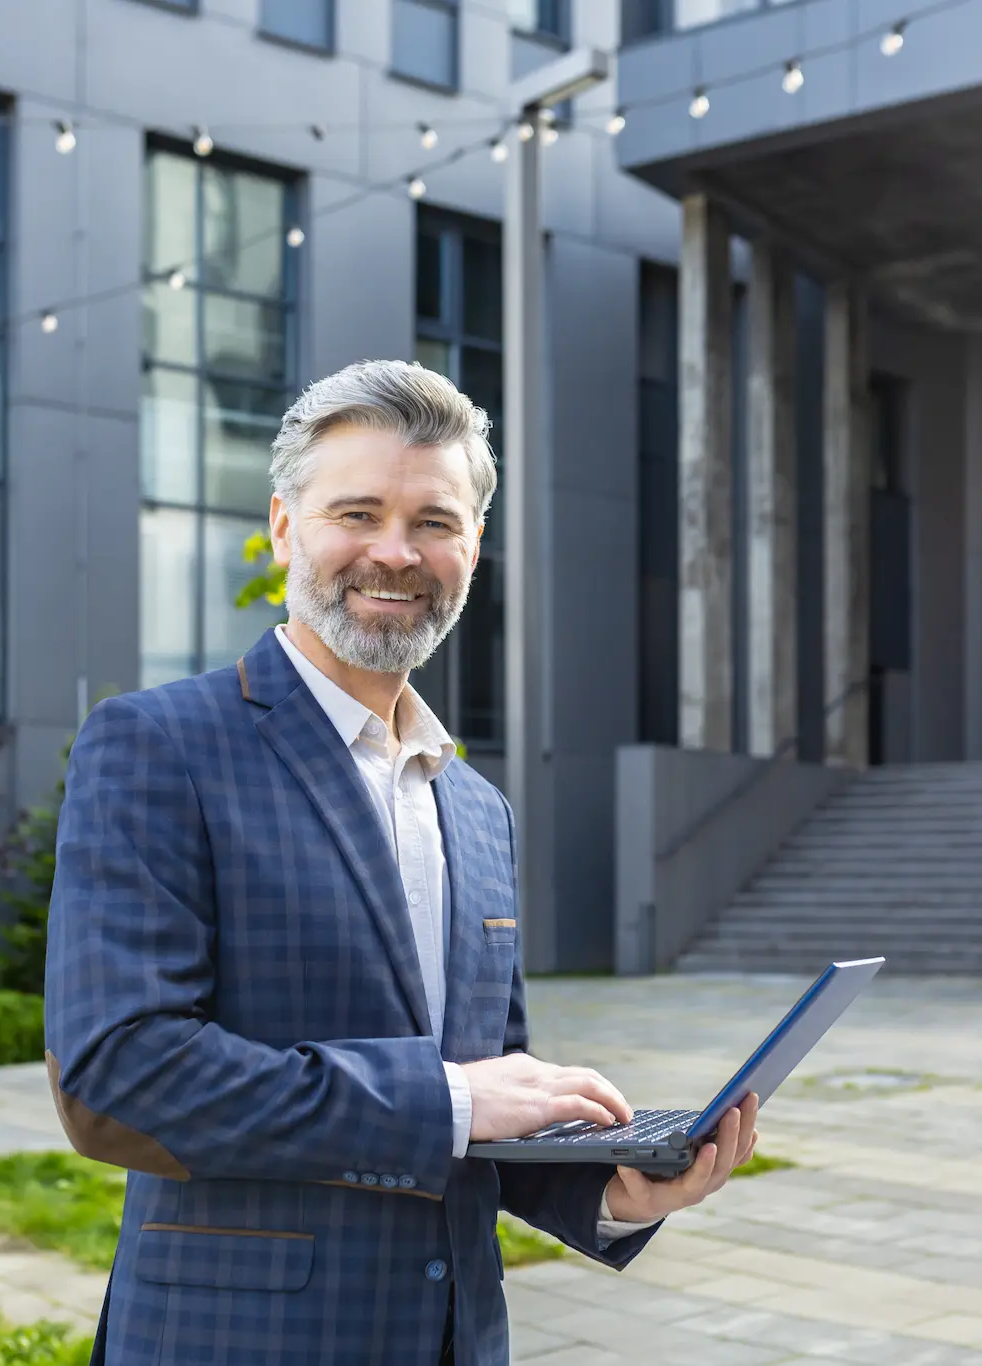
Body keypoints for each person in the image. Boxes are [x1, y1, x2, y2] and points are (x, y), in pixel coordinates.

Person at [45, 359, 760, 1365]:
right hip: (236, 1340)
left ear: (473, 545)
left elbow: (483, 1111)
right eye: (357, 512)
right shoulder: (158, 747)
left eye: (433, 520)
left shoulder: (475, 809)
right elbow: (117, 1074)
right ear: (286, 527)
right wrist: (454, 1100)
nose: (394, 551)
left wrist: (611, 1188)